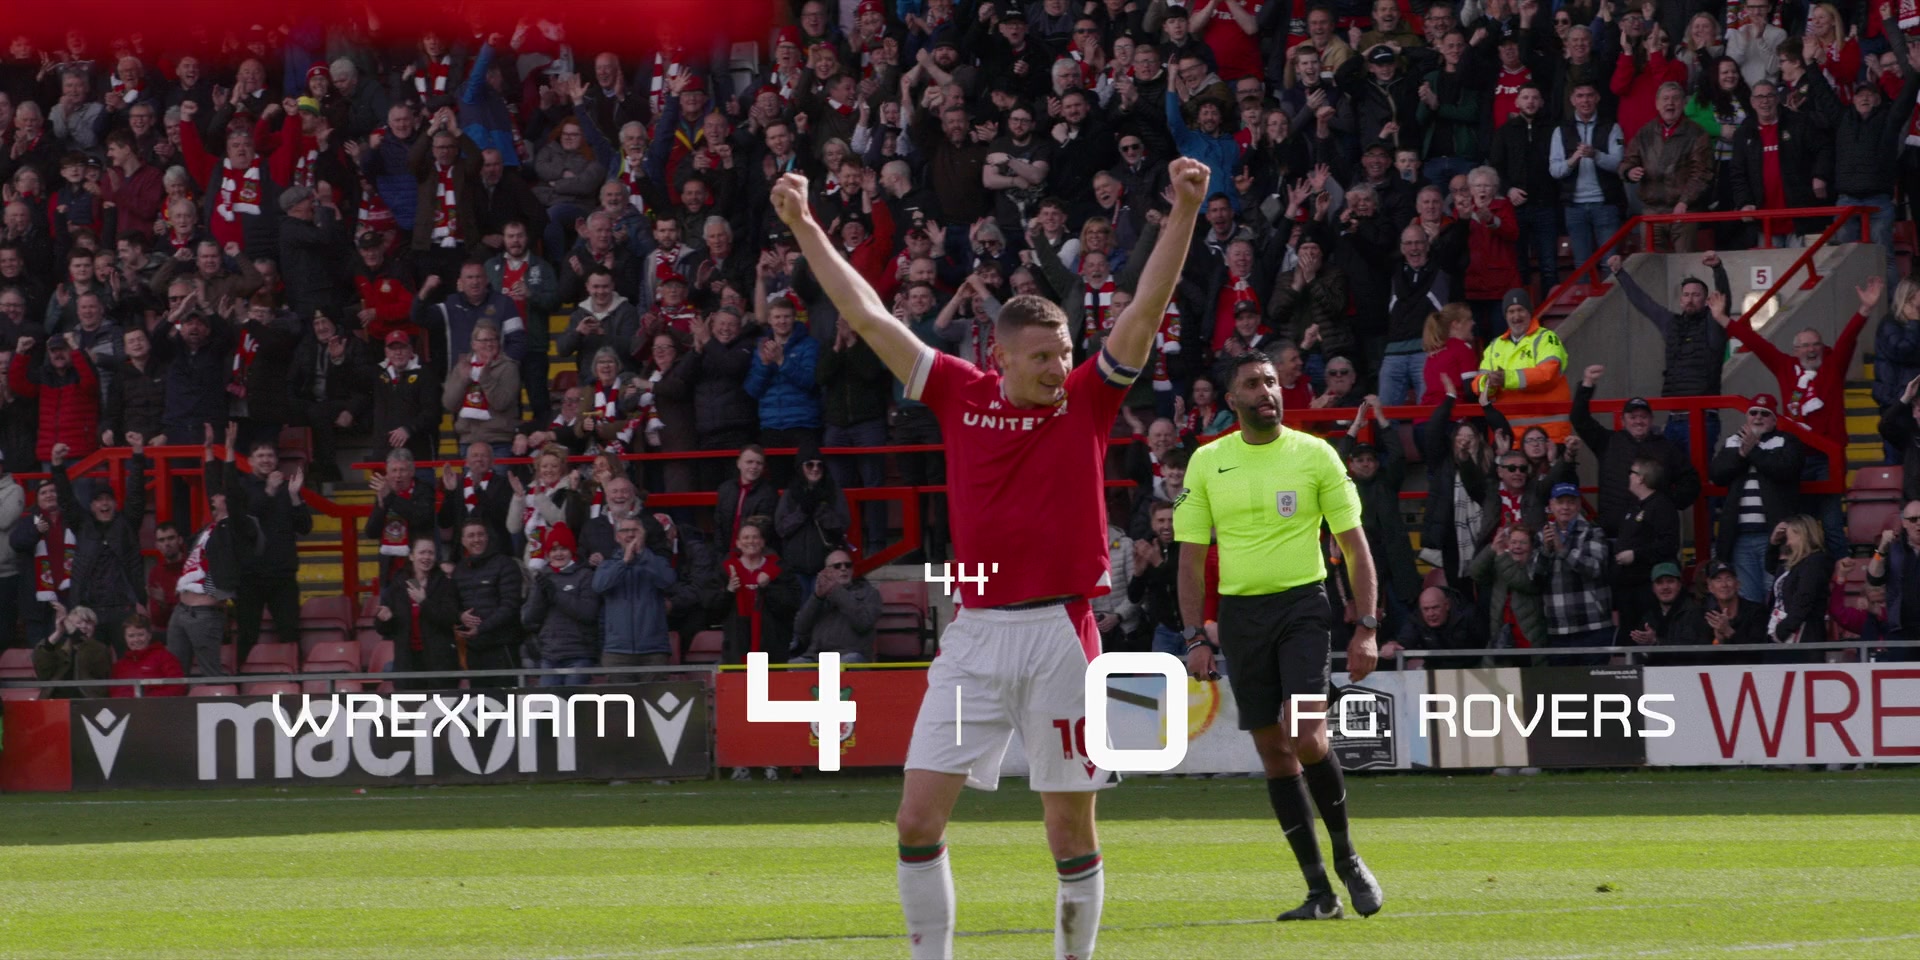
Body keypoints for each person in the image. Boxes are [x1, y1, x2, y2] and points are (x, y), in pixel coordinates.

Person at [772, 152, 1208, 959]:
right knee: (915, 820)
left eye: (1065, 351)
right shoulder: (955, 389)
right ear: (1000, 356)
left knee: (1067, 830)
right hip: (974, 636)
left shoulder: (1088, 399)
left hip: (1062, 636)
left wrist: (1183, 210)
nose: (1060, 367)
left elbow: (1147, 308)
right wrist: (802, 225)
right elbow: (867, 312)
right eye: (1043, 356)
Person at [1174, 348, 1385, 922]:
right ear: (1232, 399)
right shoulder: (1207, 462)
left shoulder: (1316, 454)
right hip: (1241, 618)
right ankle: (1320, 892)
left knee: (1305, 731)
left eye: (1271, 380)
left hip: (1303, 608)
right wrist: (1194, 637)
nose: (1266, 390)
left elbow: (1354, 546)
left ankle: (1347, 857)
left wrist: (1366, 627)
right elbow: (1189, 560)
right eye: (1252, 383)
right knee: (1272, 750)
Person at [1607, 251, 1732, 451]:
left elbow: (1724, 301)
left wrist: (1718, 269)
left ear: (1706, 300)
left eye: (1696, 295)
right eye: (1686, 295)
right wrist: (1620, 273)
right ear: (1680, 299)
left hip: (1702, 418)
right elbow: (1643, 303)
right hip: (1674, 419)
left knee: (1696, 470)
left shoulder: (1713, 325)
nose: (1690, 299)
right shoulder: (1671, 323)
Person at [167, 424, 254, 678]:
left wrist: (229, 451)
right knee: (175, 673)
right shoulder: (210, 527)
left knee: (211, 673)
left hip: (205, 612)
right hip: (181, 611)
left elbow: (230, 489)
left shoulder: (235, 527)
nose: (214, 498)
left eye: (220, 497)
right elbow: (213, 487)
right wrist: (207, 453)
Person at [1570, 368, 1700, 536]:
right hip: (1613, 533)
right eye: (1633, 417)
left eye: (1643, 416)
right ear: (1622, 421)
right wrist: (1587, 384)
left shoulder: (1666, 448)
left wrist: (1668, 503)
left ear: (1651, 420)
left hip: (1652, 534)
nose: (1638, 421)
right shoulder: (1607, 442)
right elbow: (1579, 418)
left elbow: (1691, 482)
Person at [50, 434, 148, 651]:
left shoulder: (127, 524)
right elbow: (66, 500)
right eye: (98, 500)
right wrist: (57, 466)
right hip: (89, 611)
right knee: (91, 662)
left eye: (108, 499)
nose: (104, 504)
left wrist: (138, 455)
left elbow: (136, 495)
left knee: (128, 662)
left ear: (115, 503)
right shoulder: (82, 525)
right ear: (91, 506)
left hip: (123, 608)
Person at [1711, 395, 1807, 603]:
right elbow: (1718, 474)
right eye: (1753, 412)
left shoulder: (1786, 441)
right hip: (1740, 536)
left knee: (1775, 594)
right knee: (1748, 597)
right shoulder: (1733, 441)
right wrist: (1741, 454)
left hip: (1776, 535)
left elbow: (1786, 470)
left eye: (1765, 413)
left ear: (1774, 419)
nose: (1758, 417)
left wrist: (1752, 451)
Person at [1337, 399, 1420, 637]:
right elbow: (1337, 460)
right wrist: (1355, 426)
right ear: (1352, 464)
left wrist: (1381, 418)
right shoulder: (1345, 485)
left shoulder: (1387, 481)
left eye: (1370, 459)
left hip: (1394, 559)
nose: (1366, 464)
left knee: (1403, 613)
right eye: (1360, 460)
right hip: (1363, 559)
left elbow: (1397, 455)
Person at [233, 440, 312, 662]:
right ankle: (241, 679)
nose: (266, 460)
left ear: (276, 461)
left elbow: (305, 527)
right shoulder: (241, 487)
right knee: (247, 634)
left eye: (270, 456)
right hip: (250, 575)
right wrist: (268, 491)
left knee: (290, 632)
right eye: (260, 456)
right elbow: (245, 521)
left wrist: (295, 496)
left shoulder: (288, 489)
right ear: (250, 461)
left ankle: (294, 678)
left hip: (283, 574)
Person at [1532, 482, 1614, 666]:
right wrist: (1545, 551)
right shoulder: (1541, 536)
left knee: (1595, 683)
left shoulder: (1594, 532)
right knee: (1564, 684)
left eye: (1570, 502)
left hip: (1593, 627)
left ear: (1578, 505)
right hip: (1558, 629)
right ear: (1551, 505)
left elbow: (1595, 568)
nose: (1565, 507)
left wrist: (1563, 550)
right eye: (1560, 502)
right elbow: (1534, 578)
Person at [593, 513, 679, 669]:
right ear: (617, 537)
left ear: (644, 534)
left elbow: (668, 582)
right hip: (617, 651)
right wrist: (624, 562)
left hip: (653, 650)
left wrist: (642, 556)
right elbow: (599, 586)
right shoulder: (607, 565)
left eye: (636, 530)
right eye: (625, 530)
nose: (630, 534)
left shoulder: (657, 561)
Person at [374, 537, 461, 691]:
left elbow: (450, 617)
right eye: (422, 552)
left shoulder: (445, 583)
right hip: (407, 662)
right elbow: (384, 630)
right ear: (411, 556)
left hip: (439, 662)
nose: (426, 557)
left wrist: (424, 602)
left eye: (431, 553)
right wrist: (384, 619)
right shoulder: (399, 584)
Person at [1611, 458, 1681, 645]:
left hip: (1646, 588)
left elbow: (1668, 544)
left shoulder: (1661, 505)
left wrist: (1636, 555)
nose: (1628, 477)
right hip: (1627, 589)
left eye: (1631, 473)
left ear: (1641, 478)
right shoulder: (1635, 507)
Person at [522, 523, 602, 685]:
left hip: (579, 654)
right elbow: (528, 619)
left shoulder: (585, 575)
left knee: (573, 701)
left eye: (563, 549)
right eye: (553, 550)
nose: (558, 554)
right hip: (549, 654)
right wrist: (539, 593)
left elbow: (588, 613)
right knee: (549, 701)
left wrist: (555, 594)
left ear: (572, 551)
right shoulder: (543, 578)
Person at [448, 519, 524, 687]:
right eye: (471, 535)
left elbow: (510, 606)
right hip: (474, 649)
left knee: (507, 700)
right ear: (463, 541)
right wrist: (460, 616)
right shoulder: (459, 570)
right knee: (480, 700)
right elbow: (451, 603)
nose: (476, 539)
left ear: (487, 537)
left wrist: (481, 628)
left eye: (480, 534)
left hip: (503, 647)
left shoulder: (505, 564)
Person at [793, 548, 882, 663]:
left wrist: (836, 591)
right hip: (817, 656)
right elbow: (800, 628)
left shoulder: (869, 593)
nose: (843, 569)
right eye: (837, 566)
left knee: (849, 660)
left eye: (848, 565)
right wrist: (817, 598)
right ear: (825, 571)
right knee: (795, 665)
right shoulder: (821, 595)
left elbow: (863, 623)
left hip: (851, 654)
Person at [1470, 523, 1547, 652]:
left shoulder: (1536, 567)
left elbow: (1520, 581)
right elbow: (1475, 572)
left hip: (1529, 643)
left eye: (1523, 543)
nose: (1517, 546)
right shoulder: (1501, 564)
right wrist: (1492, 548)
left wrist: (1501, 554)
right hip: (1501, 640)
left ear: (1531, 547)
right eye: (1513, 542)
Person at [1765, 515, 1832, 658]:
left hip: (1803, 637)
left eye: (1789, 538)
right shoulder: (1795, 562)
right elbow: (1771, 567)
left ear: (1801, 535)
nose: (1788, 543)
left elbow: (1804, 599)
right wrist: (1774, 543)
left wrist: (1782, 631)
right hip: (1784, 635)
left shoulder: (1815, 562)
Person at [1627, 563, 1705, 665]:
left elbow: (1690, 651)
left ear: (1679, 585)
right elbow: (1640, 660)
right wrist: (1645, 648)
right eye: (1659, 582)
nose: (1665, 587)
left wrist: (1656, 642)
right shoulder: (1648, 617)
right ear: (1653, 588)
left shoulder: (1694, 612)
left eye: (1670, 581)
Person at [34, 601, 113, 699]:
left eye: (89, 623)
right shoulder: (59, 648)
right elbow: (42, 670)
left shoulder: (99, 648)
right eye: (78, 623)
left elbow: (98, 669)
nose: (84, 626)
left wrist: (73, 630)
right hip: (57, 698)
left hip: (88, 698)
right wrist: (58, 632)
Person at [106, 614, 186, 697]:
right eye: (131, 636)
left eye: (141, 635)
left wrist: (147, 700)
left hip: (157, 704)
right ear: (125, 638)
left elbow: (177, 687)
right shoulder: (119, 665)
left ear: (149, 635)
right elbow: (113, 692)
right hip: (125, 705)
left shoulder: (165, 657)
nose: (136, 639)